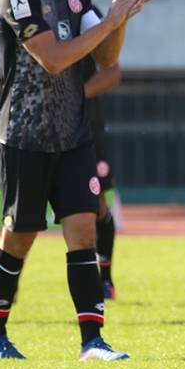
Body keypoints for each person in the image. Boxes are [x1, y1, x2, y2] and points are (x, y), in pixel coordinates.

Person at [0, 0, 151, 361]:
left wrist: (120, 24)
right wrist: (110, 24)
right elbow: (53, 58)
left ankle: (92, 342)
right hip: (24, 137)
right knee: (19, 238)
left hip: (73, 136)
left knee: (83, 230)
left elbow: (107, 59)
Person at [81, 41, 122, 301]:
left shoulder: (84, 12)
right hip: (36, 130)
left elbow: (111, 71)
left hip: (86, 127)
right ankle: (9, 281)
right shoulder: (26, 8)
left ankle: (105, 279)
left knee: (99, 205)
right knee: (27, 208)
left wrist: (72, 97)